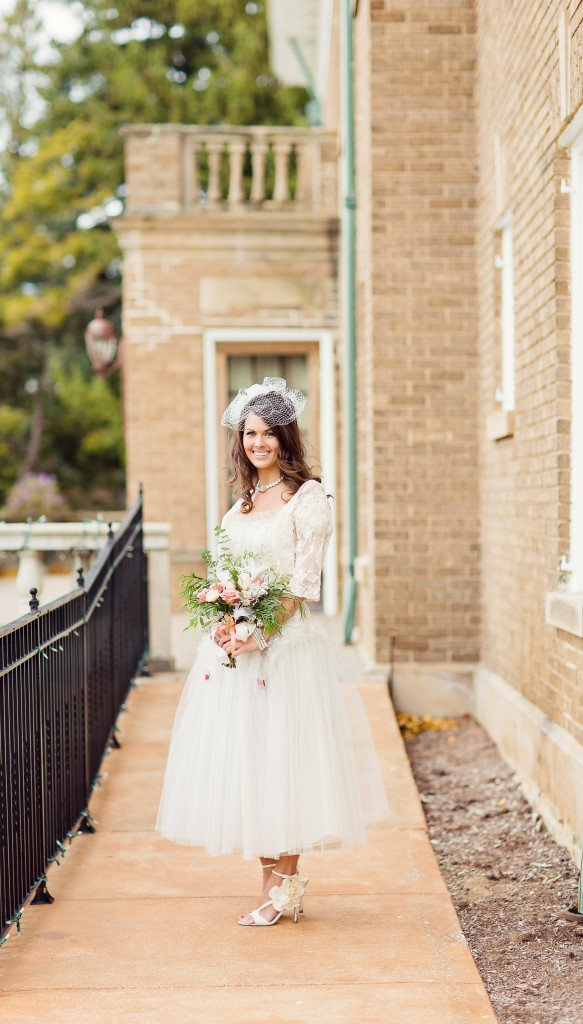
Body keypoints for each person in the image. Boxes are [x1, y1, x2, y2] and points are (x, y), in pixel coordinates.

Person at [156, 377, 390, 926]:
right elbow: (221, 574)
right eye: (249, 433)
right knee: (254, 763)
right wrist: (222, 621)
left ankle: (282, 890)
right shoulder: (240, 504)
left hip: (284, 651)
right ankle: (270, 886)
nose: (258, 442)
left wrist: (256, 632)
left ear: (286, 438)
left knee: (288, 760)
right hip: (236, 653)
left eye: (268, 433)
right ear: (241, 441)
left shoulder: (307, 498)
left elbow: (302, 585)